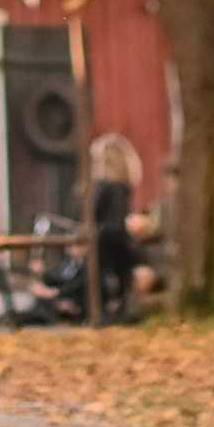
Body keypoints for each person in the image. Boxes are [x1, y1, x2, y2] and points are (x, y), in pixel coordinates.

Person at [87, 130, 144, 323]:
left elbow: (95, 212)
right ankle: (124, 310)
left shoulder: (103, 185)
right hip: (122, 234)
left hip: (105, 235)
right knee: (122, 274)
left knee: (100, 272)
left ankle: (102, 312)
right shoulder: (124, 185)